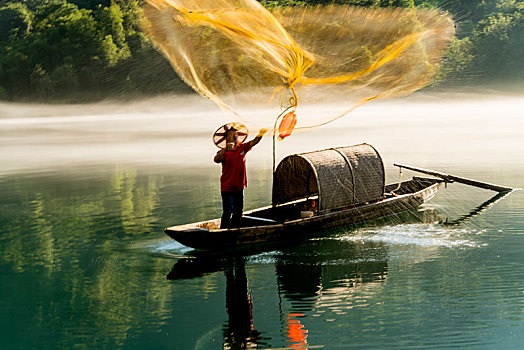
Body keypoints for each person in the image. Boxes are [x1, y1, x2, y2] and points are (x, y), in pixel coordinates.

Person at [214, 127, 267, 229]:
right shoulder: (223, 152)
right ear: (227, 138)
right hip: (227, 187)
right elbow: (216, 160)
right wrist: (225, 149)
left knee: (238, 211)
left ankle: (235, 230)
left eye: (236, 134)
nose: (235, 136)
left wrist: (261, 133)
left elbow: (255, 141)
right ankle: (223, 231)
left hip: (239, 186)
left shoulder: (242, 148)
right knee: (227, 211)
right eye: (232, 134)